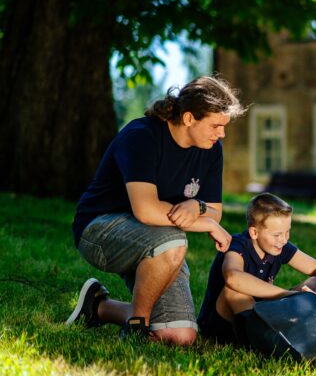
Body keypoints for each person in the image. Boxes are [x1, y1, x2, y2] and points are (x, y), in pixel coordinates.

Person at [66, 76, 245, 345]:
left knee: (180, 336)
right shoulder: (142, 136)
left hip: (156, 239)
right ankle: (136, 326)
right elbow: (146, 210)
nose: (222, 134)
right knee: (174, 240)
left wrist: (198, 206)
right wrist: (205, 223)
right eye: (216, 126)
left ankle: (97, 307)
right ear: (188, 118)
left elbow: (213, 211)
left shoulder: (211, 150)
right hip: (100, 229)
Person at [197, 193, 316, 344]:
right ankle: (275, 342)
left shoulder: (279, 246)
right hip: (221, 326)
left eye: (287, 231)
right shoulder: (237, 245)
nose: (284, 239)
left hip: (261, 313)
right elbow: (233, 277)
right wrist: (288, 295)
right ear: (254, 232)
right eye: (277, 235)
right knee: (233, 291)